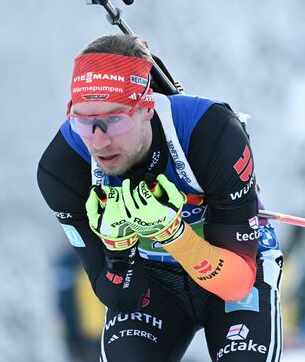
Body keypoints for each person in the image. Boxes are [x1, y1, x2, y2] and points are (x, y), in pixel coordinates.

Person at [37, 34, 283, 362]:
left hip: (232, 265)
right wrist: (118, 249)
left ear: (146, 107)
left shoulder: (211, 134)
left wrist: (173, 234)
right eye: (83, 121)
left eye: (113, 120)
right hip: (152, 278)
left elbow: (237, 284)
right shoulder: (63, 168)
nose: (98, 141)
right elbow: (116, 294)